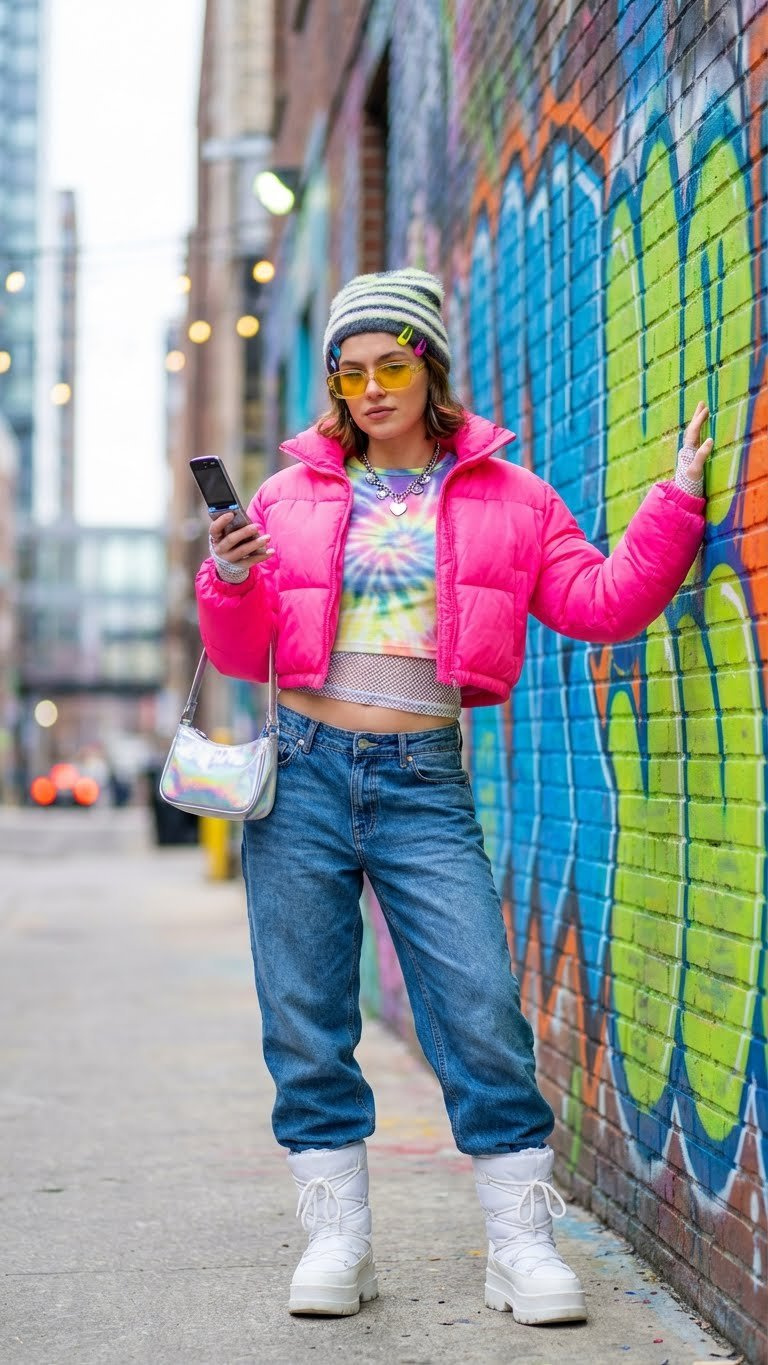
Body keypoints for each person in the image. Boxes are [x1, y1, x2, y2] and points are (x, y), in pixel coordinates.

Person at [195, 269, 711, 1325]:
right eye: (352, 371)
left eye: (393, 365)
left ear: (430, 368)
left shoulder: (510, 498)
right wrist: (233, 578)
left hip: (423, 779)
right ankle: (339, 1240)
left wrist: (677, 505)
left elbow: (599, 603)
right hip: (301, 773)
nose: (372, 388)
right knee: (305, 1015)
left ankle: (519, 1244)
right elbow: (242, 651)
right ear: (336, 385)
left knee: (478, 1008)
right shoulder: (289, 498)